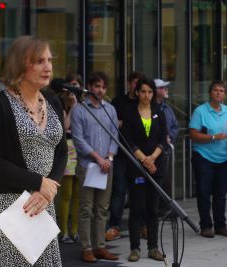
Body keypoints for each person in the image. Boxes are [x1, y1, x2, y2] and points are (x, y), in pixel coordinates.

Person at [0, 35, 67, 266]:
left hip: (43, 203)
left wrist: (49, 187)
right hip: (10, 208)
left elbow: (61, 152)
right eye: (39, 61)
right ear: (20, 64)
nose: (48, 67)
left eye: (49, 60)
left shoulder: (53, 101)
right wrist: (38, 182)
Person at [71, 71, 119, 263]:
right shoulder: (80, 110)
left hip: (106, 166)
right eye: (97, 86)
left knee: (102, 209)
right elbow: (78, 139)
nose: (100, 90)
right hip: (88, 166)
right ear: (89, 87)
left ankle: (100, 246)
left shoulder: (110, 110)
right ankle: (86, 248)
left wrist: (108, 157)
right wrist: (98, 158)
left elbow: (115, 136)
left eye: (103, 87)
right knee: (86, 208)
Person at [122, 77, 167, 262]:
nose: (146, 95)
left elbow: (163, 139)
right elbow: (128, 140)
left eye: (150, 92)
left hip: (156, 167)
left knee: (153, 208)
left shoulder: (159, 112)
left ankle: (153, 247)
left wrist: (152, 158)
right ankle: (135, 248)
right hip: (136, 167)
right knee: (136, 208)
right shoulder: (130, 113)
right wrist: (144, 160)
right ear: (137, 92)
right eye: (143, 91)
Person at [189, 80, 227, 238]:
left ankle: (221, 225)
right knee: (204, 192)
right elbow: (193, 134)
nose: (218, 93)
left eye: (221, 91)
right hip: (204, 157)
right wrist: (213, 137)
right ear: (210, 93)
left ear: (224, 94)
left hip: (224, 158)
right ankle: (206, 226)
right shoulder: (200, 111)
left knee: (221, 194)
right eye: (215, 90)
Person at [107, 71, 145, 241]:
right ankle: (114, 225)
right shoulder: (118, 102)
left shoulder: (144, 103)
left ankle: (143, 226)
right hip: (122, 154)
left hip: (140, 155)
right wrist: (128, 122)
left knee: (140, 191)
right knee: (119, 191)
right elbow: (111, 123)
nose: (137, 87)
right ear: (129, 83)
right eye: (134, 83)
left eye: (140, 85)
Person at [55, 73, 81, 244]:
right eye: (71, 85)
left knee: (78, 194)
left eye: (76, 86)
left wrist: (77, 106)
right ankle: (62, 230)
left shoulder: (83, 105)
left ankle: (75, 230)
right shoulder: (59, 104)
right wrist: (71, 108)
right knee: (66, 193)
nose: (73, 89)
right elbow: (64, 127)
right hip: (67, 149)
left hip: (81, 150)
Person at [154, 78, 179, 215]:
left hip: (166, 151)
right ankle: (155, 209)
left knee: (167, 181)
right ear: (156, 90)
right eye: (163, 87)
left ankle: (166, 209)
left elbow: (175, 126)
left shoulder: (167, 107)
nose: (166, 90)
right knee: (156, 181)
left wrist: (170, 136)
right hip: (153, 152)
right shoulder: (150, 107)